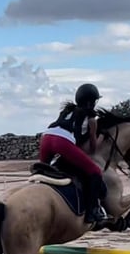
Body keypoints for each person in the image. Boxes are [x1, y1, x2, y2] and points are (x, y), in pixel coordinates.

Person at [38, 83, 108, 223]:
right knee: (95, 172)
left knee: (41, 172)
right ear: (91, 102)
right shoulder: (91, 119)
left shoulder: (66, 111)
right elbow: (93, 149)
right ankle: (92, 210)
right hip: (61, 142)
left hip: (46, 138)